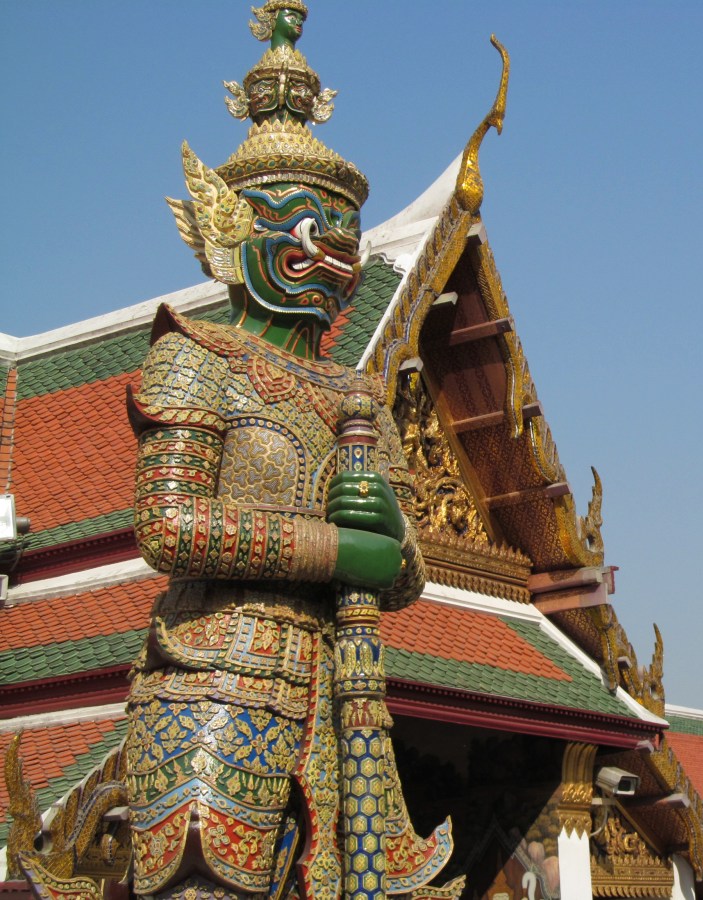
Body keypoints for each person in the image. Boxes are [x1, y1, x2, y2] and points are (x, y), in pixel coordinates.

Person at [123, 4, 430, 897]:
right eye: (303, 230)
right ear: (232, 231)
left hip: (341, 697)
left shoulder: (355, 397)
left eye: (343, 236)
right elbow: (168, 525)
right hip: (214, 682)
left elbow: (402, 573)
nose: (328, 254)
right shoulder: (195, 358)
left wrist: (391, 538)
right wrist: (337, 549)